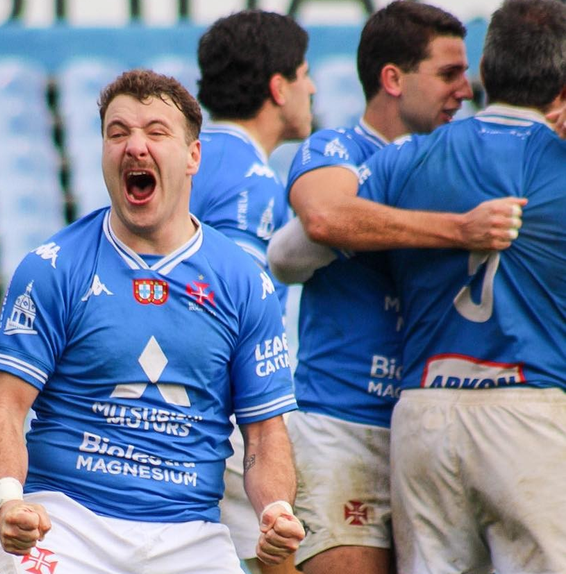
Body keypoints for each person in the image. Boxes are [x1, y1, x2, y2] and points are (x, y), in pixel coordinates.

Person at [0, 69, 305, 574]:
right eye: (118, 132)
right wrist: (7, 501)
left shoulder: (243, 282)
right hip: (66, 522)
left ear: (194, 156)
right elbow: (4, 407)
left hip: (190, 534)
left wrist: (276, 510)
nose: (135, 146)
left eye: (155, 132)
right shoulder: (51, 267)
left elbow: (264, 435)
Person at [267, 3, 527, 573]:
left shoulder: (459, 162)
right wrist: (457, 230)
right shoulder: (336, 149)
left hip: (438, 431)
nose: (466, 89)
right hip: (344, 422)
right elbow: (322, 222)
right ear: (392, 79)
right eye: (448, 74)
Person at [351, 0, 566, 571]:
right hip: (531, 406)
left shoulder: (410, 157)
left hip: (424, 411)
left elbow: (293, 251)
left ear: (485, 74)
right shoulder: (560, 163)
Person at [191, 10, 314, 574]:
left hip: (170, 396)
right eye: (304, 73)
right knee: (277, 552)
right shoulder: (254, 180)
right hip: (222, 406)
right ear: (278, 86)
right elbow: (228, 302)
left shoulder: (189, 157)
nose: (311, 87)